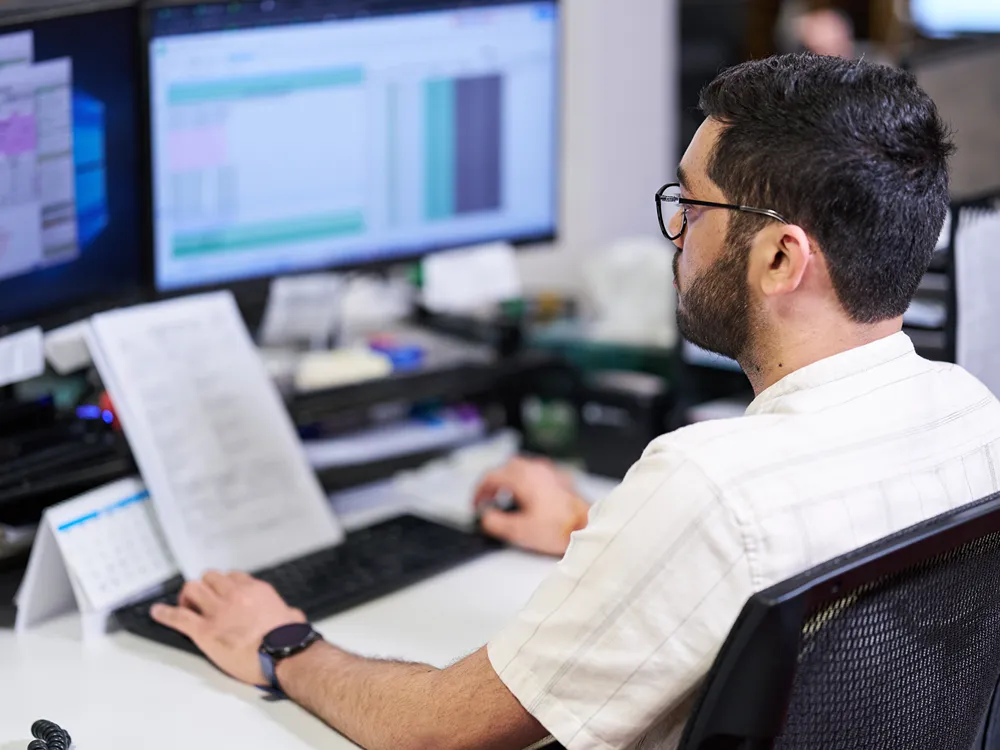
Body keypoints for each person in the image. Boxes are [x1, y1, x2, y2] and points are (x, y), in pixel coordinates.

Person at [151, 53, 1000, 750]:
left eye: (692, 206)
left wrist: (283, 643)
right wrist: (588, 533)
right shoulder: (974, 417)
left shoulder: (709, 486)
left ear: (781, 259)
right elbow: (800, 577)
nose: (675, 235)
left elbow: (442, 733)